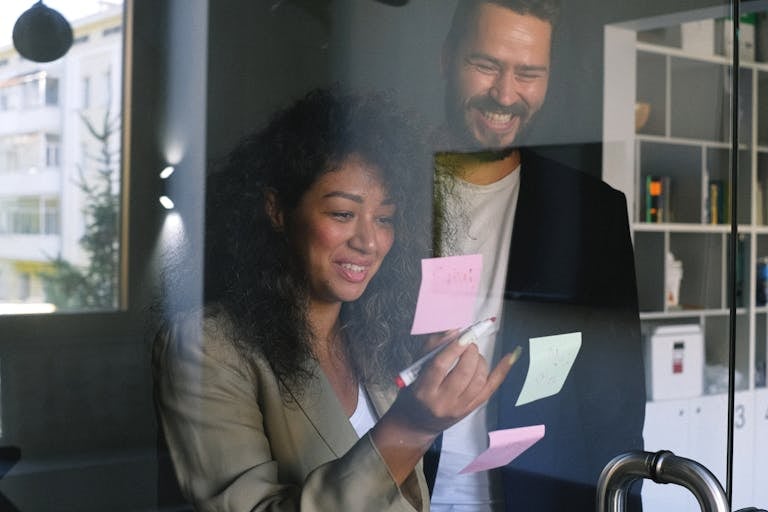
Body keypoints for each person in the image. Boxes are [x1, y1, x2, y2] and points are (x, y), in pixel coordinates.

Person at [152, 87, 517, 512]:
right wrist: (411, 427)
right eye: (343, 214)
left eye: (385, 219)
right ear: (277, 210)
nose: (369, 241)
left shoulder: (373, 337)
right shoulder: (205, 347)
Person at [426, 1, 646, 511]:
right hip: (397, 493)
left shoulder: (593, 214)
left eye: (528, 73)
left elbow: (614, 404)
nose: (505, 94)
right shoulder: (380, 194)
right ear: (446, 59)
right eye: (486, 65)